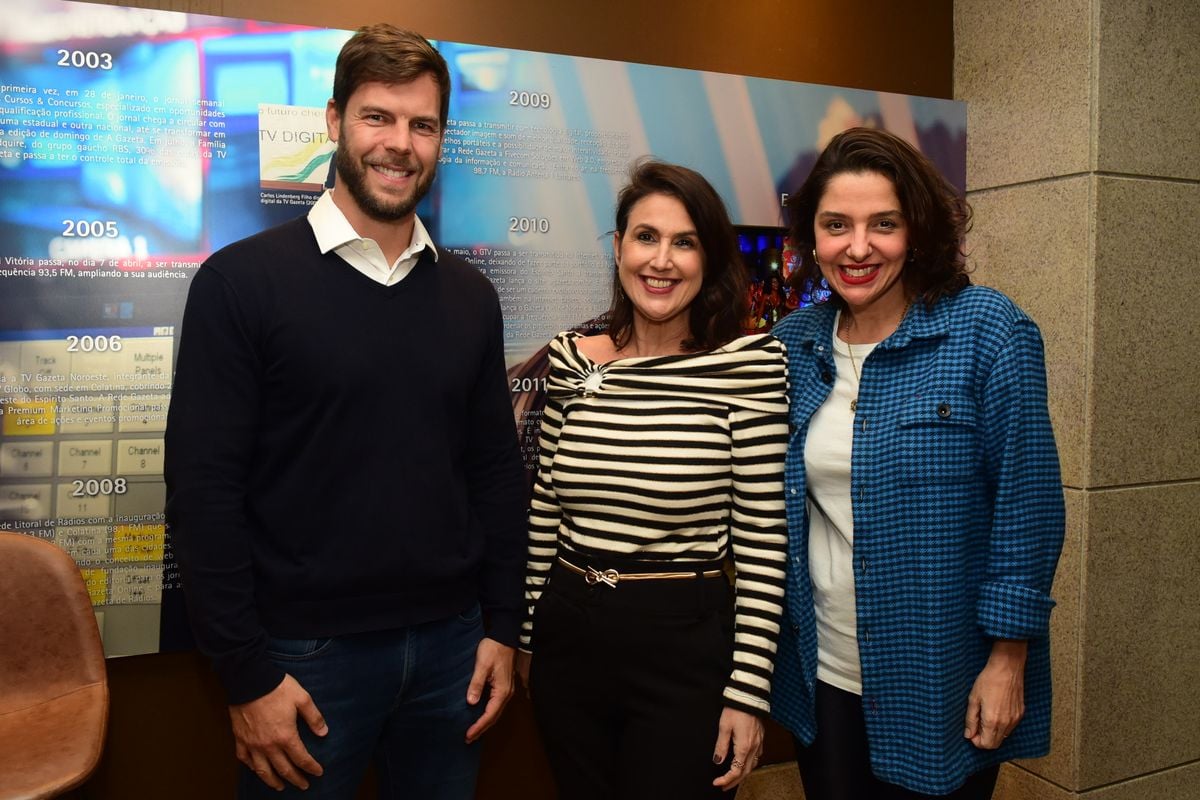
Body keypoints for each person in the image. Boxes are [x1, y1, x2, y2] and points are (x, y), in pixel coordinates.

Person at [164, 24, 527, 799]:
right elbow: (203, 494)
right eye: (378, 117)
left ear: (440, 138)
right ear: (334, 122)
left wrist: (501, 625)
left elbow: (495, 469)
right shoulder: (240, 285)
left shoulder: (470, 297)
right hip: (304, 660)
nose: (400, 144)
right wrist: (246, 676)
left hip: (452, 656)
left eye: (422, 124)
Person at [770, 127, 1065, 799]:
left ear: (918, 230)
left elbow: (1029, 507)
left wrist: (1008, 658)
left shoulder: (988, 330)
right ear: (812, 238)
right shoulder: (791, 347)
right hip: (824, 676)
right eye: (836, 225)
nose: (858, 247)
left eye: (884, 224)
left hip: (941, 674)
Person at [515, 160, 790, 799]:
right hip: (569, 633)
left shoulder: (745, 367)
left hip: (683, 646)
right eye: (646, 237)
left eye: (684, 242)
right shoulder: (572, 361)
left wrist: (747, 693)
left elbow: (762, 541)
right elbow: (547, 508)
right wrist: (530, 638)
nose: (661, 260)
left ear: (709, 259)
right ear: (617, 249)